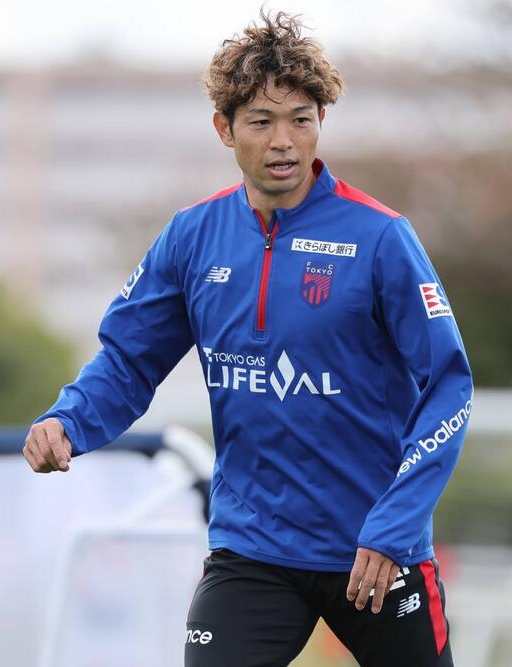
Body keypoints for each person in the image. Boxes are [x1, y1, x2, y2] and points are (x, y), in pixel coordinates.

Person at [23, 10, 472, 667]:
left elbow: (449, 387)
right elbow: (129, 360)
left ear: (322, 121)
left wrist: (395, 523)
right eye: (261, 121)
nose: (284, 141)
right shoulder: (192, 236)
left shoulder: (380, 238)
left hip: (374, 550)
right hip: (254, 547)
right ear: (225, 128)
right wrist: (70, 418)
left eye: (301, 119)